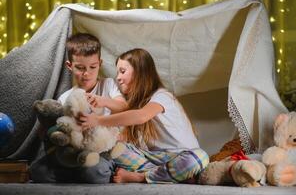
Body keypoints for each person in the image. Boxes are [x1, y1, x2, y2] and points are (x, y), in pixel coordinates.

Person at [78, 48, 209, 184]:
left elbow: (141, 116)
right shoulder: (139, 105)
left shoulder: (163, 96)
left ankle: (142, 177)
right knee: (113, 148)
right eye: (118, 72)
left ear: (140, 72)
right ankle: (174, 176)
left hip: (181, 156)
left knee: (200, 157)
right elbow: (127, 137)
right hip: (154, 159)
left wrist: (99, 121)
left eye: (122, 71)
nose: (118, 78)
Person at [30, 33, 127, 183]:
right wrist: (50, 132)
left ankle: (80, 174)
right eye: (80, 68)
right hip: (74, 151)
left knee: (94, 172)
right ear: (70, 66)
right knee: (37, 171)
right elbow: (59, 127)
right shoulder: (66, 97)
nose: (87, 73)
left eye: (92, 67)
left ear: (100, 64)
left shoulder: (108, 85)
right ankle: (75, 172)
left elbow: (123, 106)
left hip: (99, 151)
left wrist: (103, 101)